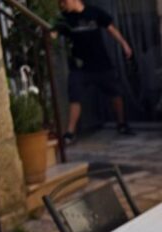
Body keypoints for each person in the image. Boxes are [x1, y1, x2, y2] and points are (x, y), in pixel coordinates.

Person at [55, 0, 134, 144]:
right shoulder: (64, 19)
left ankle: (121, 124)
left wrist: (124, 44)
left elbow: (111, 29)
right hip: (80, 67)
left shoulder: (94, 12)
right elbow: (54, 34)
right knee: (75, 97)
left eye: (64, 1)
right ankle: (70, 133)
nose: (62, 5)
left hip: (101, 63)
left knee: (116, 93)